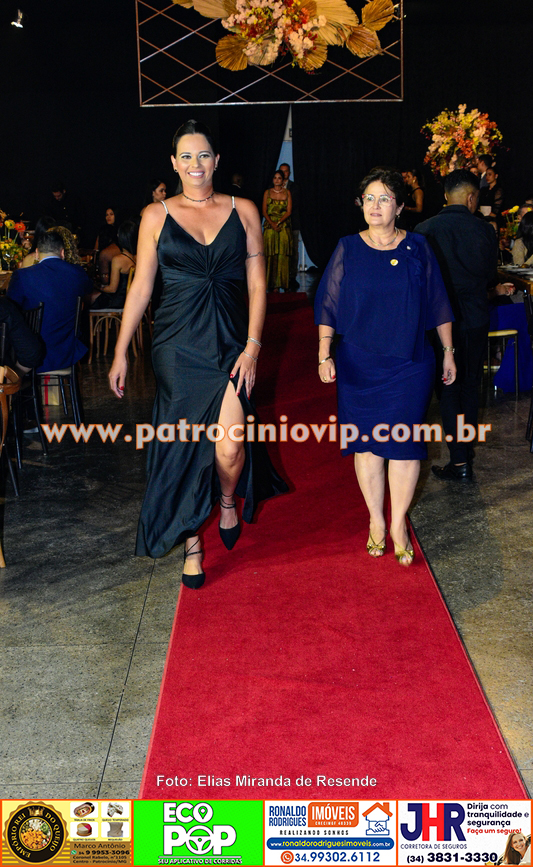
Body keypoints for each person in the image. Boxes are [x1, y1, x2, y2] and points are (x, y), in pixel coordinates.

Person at [108, 119, 287, 588]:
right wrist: (121, 350)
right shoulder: (156, 215)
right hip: (177, 345)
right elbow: (141, 287)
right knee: (185, 447)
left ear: (216, 160)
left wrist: (253, 347)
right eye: (186, 156)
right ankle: (192, 543)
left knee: (230, 446)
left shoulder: (244, 210)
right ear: (174, 163)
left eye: (203, 155)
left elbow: (258, 284)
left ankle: (226, 500)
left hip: (230, 342)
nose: (195, 164)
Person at [315, 167, 455, 565]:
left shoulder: (418, 246)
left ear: (400, 206)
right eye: (369, 199)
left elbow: (438, 301)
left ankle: (398, 524)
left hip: (410, 363)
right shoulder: (347, 248)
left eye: (384, 199)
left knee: (405, 447)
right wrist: (324, 353)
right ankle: (376, 519)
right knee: (367, 448)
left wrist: (448, 351)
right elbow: (328, 303)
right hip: (359, 365)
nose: (375, 206)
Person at [415, 169, 513, 481]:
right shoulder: (484, 230)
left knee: (447, 389)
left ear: (446, 196)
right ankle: (465, 456)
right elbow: (489, 277)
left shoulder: (424, 229)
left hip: (438, 322)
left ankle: (458, 459)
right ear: (471, 198)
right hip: (475, 318)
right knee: (471, 385)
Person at [8, 229, 89, 372]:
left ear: (37, 253)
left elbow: (11, 309)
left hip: (32, 352)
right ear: (62, 253)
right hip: (68, 350)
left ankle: (12, 382)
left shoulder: (23, 276)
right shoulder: (78, 273)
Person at [90, 220, 138, 309]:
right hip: (132, 300)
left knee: (88, 296)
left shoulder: (118, 259)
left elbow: (112, 289)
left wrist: (98, 286)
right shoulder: (138, 258)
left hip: (117, 302)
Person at [262, 170, 292, 292]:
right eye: (275, 178)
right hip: (270, 226)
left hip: (283, 226)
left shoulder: (287, 192)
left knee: (282, 255)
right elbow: (264, 211)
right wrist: (272, 224)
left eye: (279, 178)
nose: (277, 180)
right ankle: (271, 284)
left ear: (283, 180)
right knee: (270, 255)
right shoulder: (267, 192)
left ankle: (283, 284)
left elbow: (289, 211)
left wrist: (278, 223)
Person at [279, 162, 300, 289]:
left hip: (292, 224)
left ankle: (292, 277)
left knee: (293, 251)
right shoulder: (273, 186)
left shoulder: (294, 187)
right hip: (278, 225)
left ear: (289, 173)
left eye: (286, 171)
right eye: (281, 171)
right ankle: (278, 277)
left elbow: (295, 205)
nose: (283, 173)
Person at [94, 207, 120, 284]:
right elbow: (96, 249)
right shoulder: (102, 230)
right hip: (102, 265)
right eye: (107, 215)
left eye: (111, 214)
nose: (108, 217)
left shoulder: (120, 231)